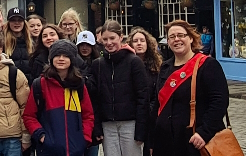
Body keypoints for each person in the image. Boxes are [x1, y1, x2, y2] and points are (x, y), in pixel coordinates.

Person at [151, 20, 229, 156]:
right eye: (172, 37)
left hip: (195, 141)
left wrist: (204, 133)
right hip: (165, 143)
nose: (177, 40)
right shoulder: (165, 68)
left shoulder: (208, 65)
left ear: (191, 38)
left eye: (181, 35)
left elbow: (219, 102)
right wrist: (151, 140)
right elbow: (158, 104)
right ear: (168, 42)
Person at [23, 40, 94, 156]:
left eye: (66, 56)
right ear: (51, 59)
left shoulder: (78, 84)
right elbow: (29, 116)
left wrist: (84, 138)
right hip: (48, 150)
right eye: (57, 55)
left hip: (75, 149)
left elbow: (88, 115)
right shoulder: (40, 84)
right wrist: (41, 135)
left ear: (72, 60)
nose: (61, 59)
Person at [90, 20, 149, 156]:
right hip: (107, 125)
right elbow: (95, 99)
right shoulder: (97, 64)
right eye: (105, 39)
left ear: (121, 37)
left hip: (130, 124)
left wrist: (141, 130)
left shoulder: (134, 62)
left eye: (112, 38)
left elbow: (142, 97)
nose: (109, 43)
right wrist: (97, 126)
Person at [127, 27, 162, 156]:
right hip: (133, 116)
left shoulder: (156, 67)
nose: (139, 43)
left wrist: (150, 109)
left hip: (152, 117)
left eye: (142, 40)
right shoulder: (126, 65)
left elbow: (158, 91)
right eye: (135, 41)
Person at [4, 7, 34, 83]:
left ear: (24, 22)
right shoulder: (2, 42)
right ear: (9, 23)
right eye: (13, 20)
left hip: (29, 83)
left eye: (20, 20)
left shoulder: (32, 42)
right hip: (10, 84)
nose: (16, 23)